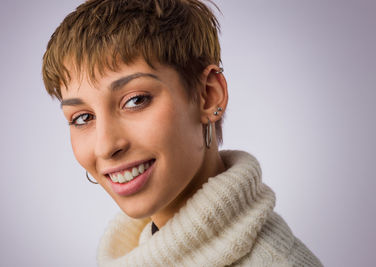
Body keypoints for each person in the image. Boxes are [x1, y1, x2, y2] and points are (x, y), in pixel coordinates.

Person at [42, 0, 323, 266]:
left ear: (209, 96)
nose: (105, 146)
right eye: (83, 118)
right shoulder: (140, 247)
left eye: (136, 100)